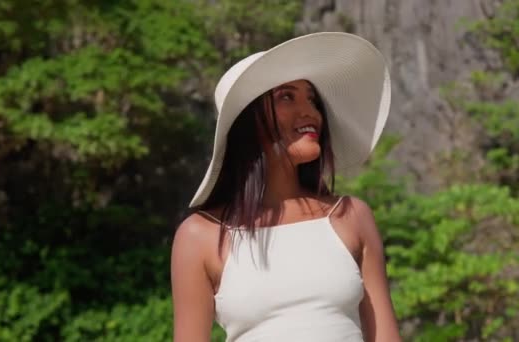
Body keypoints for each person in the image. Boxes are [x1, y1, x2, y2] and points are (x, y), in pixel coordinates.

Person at [171, 32, 402, 342]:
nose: (311, 112)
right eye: (287, 96)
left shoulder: (351, 216)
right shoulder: (200, 236)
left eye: (312, 99)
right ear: (248, 120)